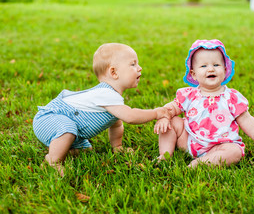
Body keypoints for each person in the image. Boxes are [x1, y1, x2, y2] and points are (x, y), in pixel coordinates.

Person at [33, 43, 171, 176]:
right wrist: (156, 112)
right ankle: (53, 162)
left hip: (62, 123)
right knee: (67, 129)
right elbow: (130, 116)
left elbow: (116, 124)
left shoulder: (113, 98)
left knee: (86, 149)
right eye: (133, 64)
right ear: (114, 72)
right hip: (50, 118)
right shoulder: (106, 94)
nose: (139, 68)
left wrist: (117, 146)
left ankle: (57, 148)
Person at [154, 39, 254, 168]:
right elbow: (172, 107)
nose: (210, 69)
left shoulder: (231, 97)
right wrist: (164, 116)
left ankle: (202, 163)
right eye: (203, 66)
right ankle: (165, 154)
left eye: (216, 65)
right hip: (189, 140)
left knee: (235, 151)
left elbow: (246, 119)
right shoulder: (189, 95)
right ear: (194, 74)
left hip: (219, 146)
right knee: (171, 121)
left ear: (225, 70)